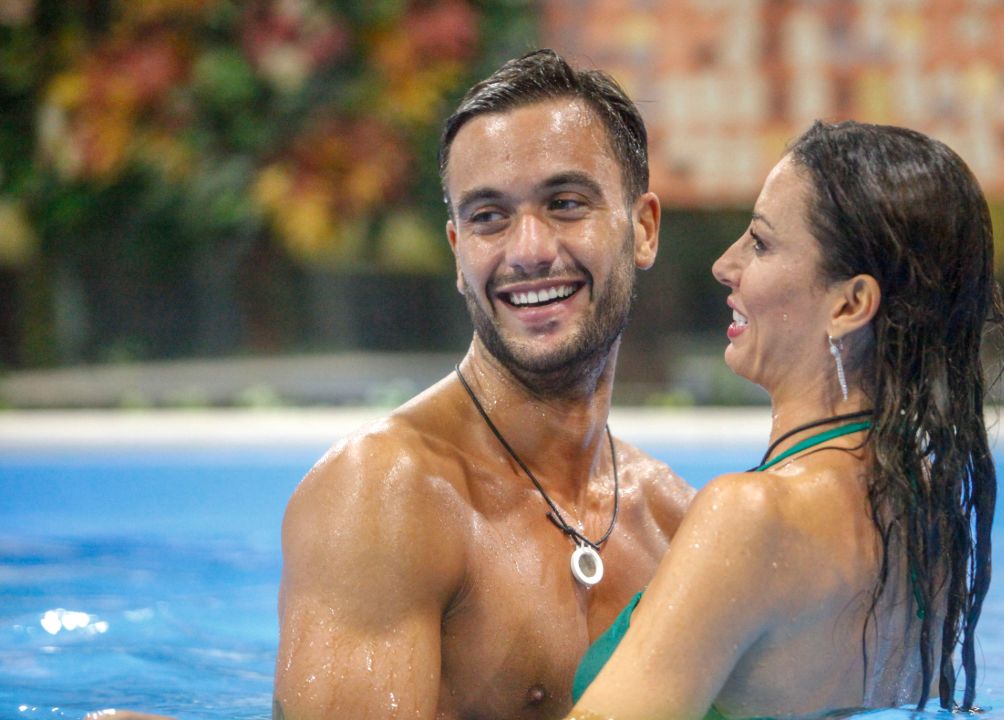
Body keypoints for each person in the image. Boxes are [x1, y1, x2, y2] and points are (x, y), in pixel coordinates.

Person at [83, 50, 693, 720]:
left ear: (643, 228)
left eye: (565, 203)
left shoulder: (674, 525)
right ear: (458, 251)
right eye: (489, 217)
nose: (528, 250)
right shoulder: (386, 495)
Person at [568, 121, 1004, 719]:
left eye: (761, 244)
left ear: (849, 305)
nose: (726, 266)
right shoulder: (927, 508)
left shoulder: (750, 516)